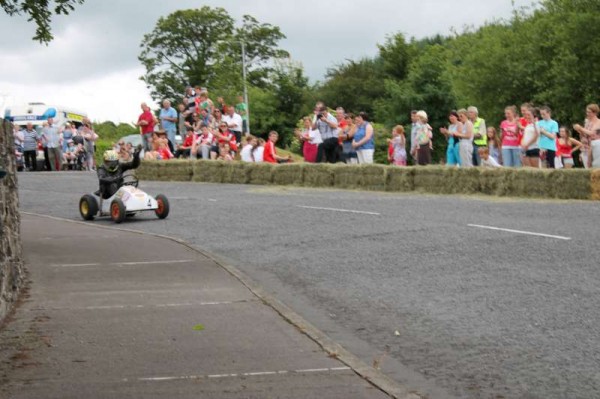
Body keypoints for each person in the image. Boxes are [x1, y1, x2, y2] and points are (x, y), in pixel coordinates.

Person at [573, 104, 600, 169]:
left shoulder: (598, 122)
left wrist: (580, 128)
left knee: (596, 167)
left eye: (589, 112)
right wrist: (579, 130)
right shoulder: (587, 122)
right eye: (587, 112)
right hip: (585, 148)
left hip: (595, 148)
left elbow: (592, 133)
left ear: (595, 113)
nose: (587, 114)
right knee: (587, 168)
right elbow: (585, 134)